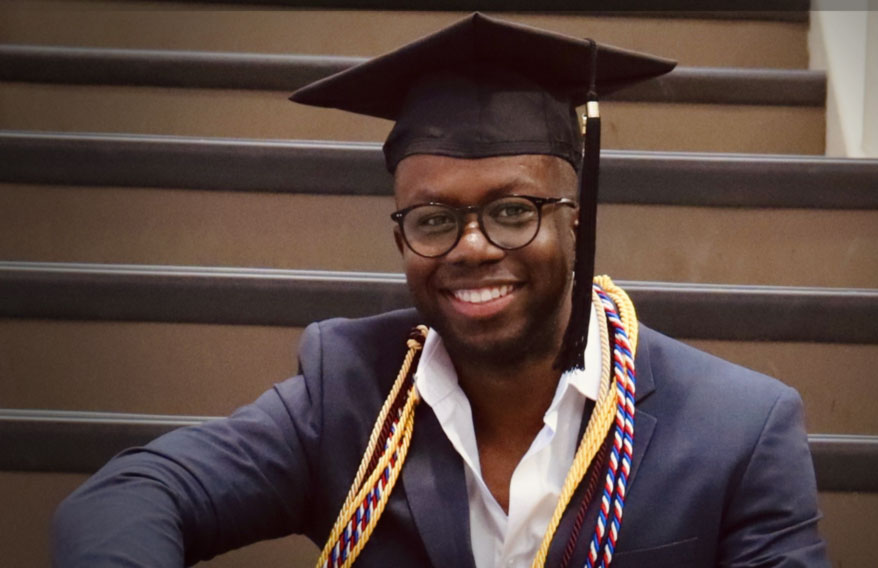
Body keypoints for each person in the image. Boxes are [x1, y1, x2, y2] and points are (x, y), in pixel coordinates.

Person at [51, 13, 829, 568]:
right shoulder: (348, 390)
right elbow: (127, 498)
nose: (473, 247)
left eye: (513, 211)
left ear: (579, 223)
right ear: (401, 238)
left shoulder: (738, 428)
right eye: (433, 219)